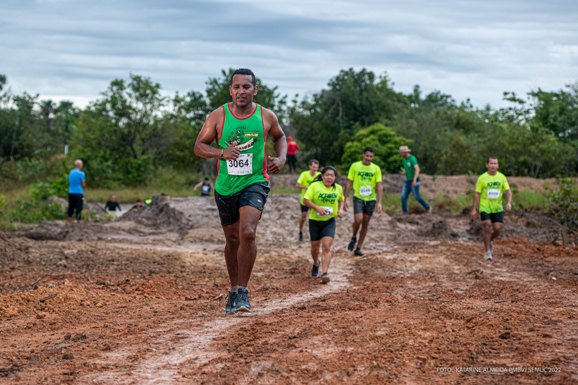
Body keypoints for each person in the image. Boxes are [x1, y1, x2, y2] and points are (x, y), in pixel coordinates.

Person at [194, 68, 287, 314]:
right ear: (230, 90)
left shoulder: (266, 116)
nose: (241, 91)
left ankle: (244, 290)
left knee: (247, 233)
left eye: (246, 87)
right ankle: (234, 288)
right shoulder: (218, 116)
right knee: (232, 239)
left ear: (255, 90)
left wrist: (282, 158)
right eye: (236, 87)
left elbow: (280, 137)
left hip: (255, 181)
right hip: (225, 187)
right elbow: (199, 146)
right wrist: (220, 152)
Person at [303, 166, 344, 284]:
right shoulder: (315, 186)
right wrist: (317, 208)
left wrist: (340, 210)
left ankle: (325, 273)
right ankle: (316, 263)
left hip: (329, 221)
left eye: (332, 175)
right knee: (315, 248)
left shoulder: (338, 188)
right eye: (327, 175)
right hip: (315, 221)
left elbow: (341, 199)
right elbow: (306, 200)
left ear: (335, 178)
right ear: (322, 176)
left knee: (326, 246)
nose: (329, 177)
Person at [470, 157, 512, 261]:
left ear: (498, 166)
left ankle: (490, 240)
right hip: (485, 207)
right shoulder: (482, 178)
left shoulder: (501, 177)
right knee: (487, 226)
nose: (493, 165)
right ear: (487, 165)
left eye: (495, 164)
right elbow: (477, 194)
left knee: (497, 228)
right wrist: (474, 209)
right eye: (491, 163)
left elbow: (508, 191)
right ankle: (487, 251)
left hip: (497, 207)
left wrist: (509, 202)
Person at [344, 147, 383, 257]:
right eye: (367, 156)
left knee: (365, 223)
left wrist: (379, 202)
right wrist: (345, 198)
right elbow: (348, 182)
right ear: (363, 155)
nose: (369, 158)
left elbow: (379, 185)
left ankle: (358, 248)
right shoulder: (355, 166)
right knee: (358, 219)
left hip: (371, 199)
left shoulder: (376, 168)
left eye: (371, 156)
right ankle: (353, 236)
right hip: (358, 197)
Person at [399, 145, 431, 214]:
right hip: (407, 181)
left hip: (414, 180)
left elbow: (417, 169)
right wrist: (404, 172)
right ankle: (405, 212)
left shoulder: (412, 158)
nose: (401, 154)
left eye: (401, 152)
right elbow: (408, 168)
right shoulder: (404, 160)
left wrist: (414, 179)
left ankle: (427, 207)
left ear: (405, 152)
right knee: (403, 197)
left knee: (417, 196)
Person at [296, 159, 320, 241]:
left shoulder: (319, 175)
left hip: (315, 200)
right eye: (313, 167)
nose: (315, 169)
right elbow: (298, 184)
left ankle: (315, 233)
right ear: (310, 166)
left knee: (315, 217)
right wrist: (307, 188)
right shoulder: (304, 174)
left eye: (316, 167)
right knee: (303, 217)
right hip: (305, 199)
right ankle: (300, 231)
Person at [67, 159, 86, 223]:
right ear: (80, 165)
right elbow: (83, 184)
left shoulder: (71, 172)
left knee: (71, 206)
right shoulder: (81, 173)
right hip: (78, 192)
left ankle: (69, 219)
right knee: (79, 207)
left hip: (71, 192)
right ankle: (78, 220)